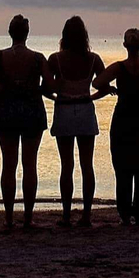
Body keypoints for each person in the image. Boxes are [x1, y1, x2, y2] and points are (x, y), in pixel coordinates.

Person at [94, 29, 139, 225]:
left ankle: (125, 214)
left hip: (123, 120)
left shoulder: (119, 68)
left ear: (125, 46)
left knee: (122, 167)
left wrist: (110, 89)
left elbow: (97, 82)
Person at [0, 15, 52, 230]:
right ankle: (27, 217)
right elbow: (50, 85)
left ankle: (8, 218)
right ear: (27, 34)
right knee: (29, 164)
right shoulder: (38, 58)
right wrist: (32, 89)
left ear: (10, 33)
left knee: (9, 164)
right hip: (32, 112)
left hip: (6, 112)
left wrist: (7, 90)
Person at [47, 16, 107, 228]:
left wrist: (57, 96)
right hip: (85, 109)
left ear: (64, 36)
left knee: (67, 165)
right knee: (86, 164)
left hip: (63, 109)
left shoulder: (55, 59)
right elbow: (104, 84)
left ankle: (65, 215)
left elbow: (46, 87)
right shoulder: (93, 59)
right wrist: (91, 97)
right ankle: (87, 215)